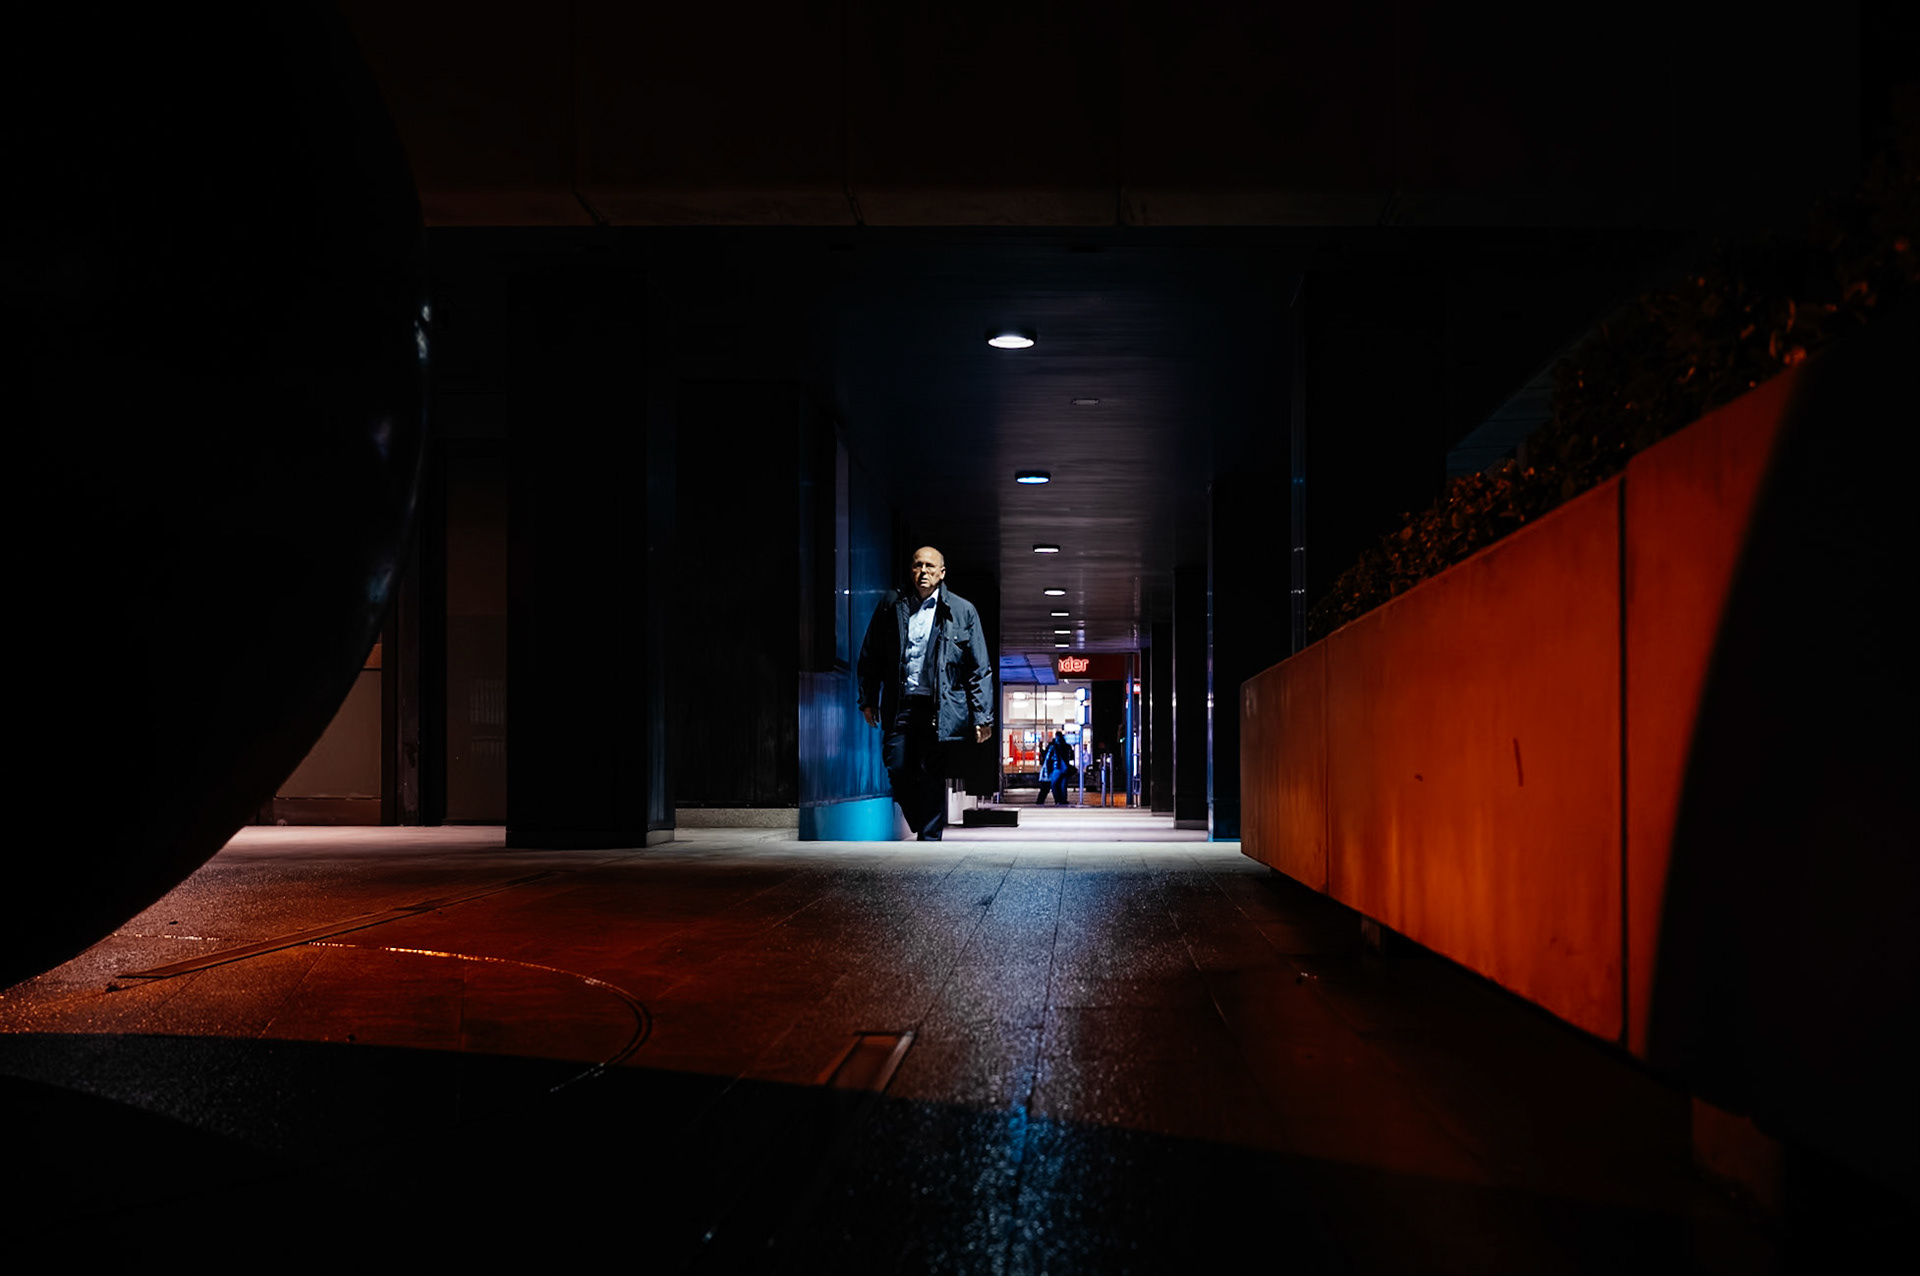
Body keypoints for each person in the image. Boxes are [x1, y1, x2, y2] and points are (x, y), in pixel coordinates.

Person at [857, 546, 993, 841]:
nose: (923, 572)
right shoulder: (891, 604)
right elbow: (871, 655)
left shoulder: (962, 611)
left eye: (930, 567)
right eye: (918, 565)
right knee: (896, 766)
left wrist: (982, 716)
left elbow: (978, 668)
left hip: (938, 707)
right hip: (900, 703)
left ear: (942, 573)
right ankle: (923, 821)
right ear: (911, 570)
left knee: (932, 773)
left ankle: (929, 840)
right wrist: (867, 698)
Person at [1037, 730, 1070, 806]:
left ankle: (1058, 800)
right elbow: (1070, 756)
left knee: (1054, 785)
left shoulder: (1052, 746)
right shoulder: (1066, 746)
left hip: (1056, 768)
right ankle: (1063, 800)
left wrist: (1041, 749)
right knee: (1063, 785)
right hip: (1065, 769)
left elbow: (1047, 757)